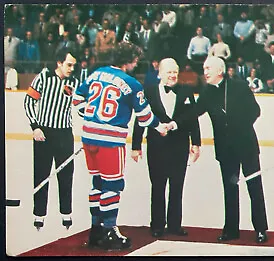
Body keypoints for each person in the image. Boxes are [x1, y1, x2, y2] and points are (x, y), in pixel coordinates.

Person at [73, 42, 170, 251]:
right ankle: (109, 231)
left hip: (88, 136)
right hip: (110, 140)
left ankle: (95, 230)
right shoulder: (132, 83)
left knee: (96, 182)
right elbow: (144, 117)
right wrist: (159, 126)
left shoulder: (96, 73)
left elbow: (77, 99)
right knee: (113, 185)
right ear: (131, 60)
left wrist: (91, 117)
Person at [174, 56, 268, 243]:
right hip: (226, 150)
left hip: (246, 145)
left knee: (254, 188)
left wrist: (239, 127)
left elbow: (255, 111)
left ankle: (260, 229)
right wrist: (174, 123)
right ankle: (231, 229)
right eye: (204, 68)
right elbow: (195, 113)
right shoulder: (207, 91)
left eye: (208, 68)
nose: (205, 72)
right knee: (230, 188)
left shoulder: (239, 86)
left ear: (220, 71)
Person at [131, 58, 201, 238]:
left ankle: (175, 225)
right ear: (160, 73)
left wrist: (196, 143)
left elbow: (193, 118)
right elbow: (141, 118)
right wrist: (136, 145)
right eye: (169, 72)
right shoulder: (149, 91)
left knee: (177, 186)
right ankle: (157, 225)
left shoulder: (186, 90)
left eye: (175, 72)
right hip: (156, 146)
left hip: (179, 146)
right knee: (158, 185)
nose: (172, 75)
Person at [23, 49, 79, 230]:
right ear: (59, 63)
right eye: (69, 64)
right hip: (44, 134)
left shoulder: (74, 82)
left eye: (74, 65)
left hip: (64, 134)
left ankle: (66, 214)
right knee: (41, 175)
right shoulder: (44, 77)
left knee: (66, 175)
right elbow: (29, 101)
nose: (71, 68)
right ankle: (39, 214)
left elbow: (79, 105)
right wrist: (35, 126)